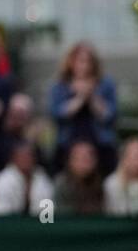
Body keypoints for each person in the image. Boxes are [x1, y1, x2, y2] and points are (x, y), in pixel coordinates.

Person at [49, 42, 118, 176]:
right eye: (80, 61)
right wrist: (79, 98)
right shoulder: (60, 84)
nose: (84, 66)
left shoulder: (106, 84)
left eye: (88, 61)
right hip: (68, 142)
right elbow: (56, 114)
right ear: (71, 62)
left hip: (99, 143)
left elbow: (110, 115)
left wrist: (92, 96)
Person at [0, 140, 54, 216]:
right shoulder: (3, 180)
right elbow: (0, 214)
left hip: (38, 225)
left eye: (29, 156)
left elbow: (47, 216)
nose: (26, 160)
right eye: (22, 156)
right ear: (13, 158)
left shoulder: (42, 179)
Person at [53, 139, 105, 215]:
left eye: (89, 157)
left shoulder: (101, 184)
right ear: (70, 161)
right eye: (80, 158)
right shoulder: (60, 183)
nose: (85, 162)